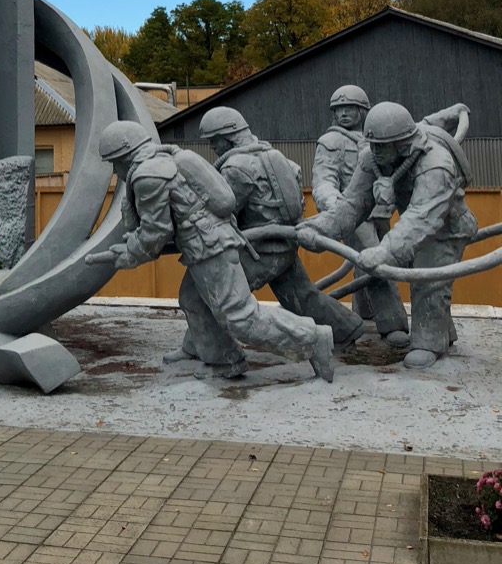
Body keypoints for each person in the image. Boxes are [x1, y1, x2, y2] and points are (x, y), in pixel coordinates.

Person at [91, 121, 335, 382]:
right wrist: (134, 241)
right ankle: (223, 360)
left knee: (240, 316)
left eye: (114, 162)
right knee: (193, 299)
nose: (115, 170)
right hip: (210, 242)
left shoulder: (148, 175)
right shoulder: (167, 158)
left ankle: (313, 339)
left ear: (125, 155)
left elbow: (156, 231)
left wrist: (130, 254)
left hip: (209, 248)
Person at [298, 101, 477, 369]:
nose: (375, 151)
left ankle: (429, 342)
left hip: (446, 227)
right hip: (414, 224)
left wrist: (384, 252)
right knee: (423, 269)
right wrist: (320, 228)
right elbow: (352, 205)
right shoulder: (372, 158)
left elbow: (421, 218)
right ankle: (443, 332)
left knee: (428, 275)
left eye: (381, 146)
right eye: (373, 145)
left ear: (402, 144)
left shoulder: (436, 164)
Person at [198, 107, 363, 349]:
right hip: (284, 244)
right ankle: (346, 330)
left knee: (212, 293)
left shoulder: (236, 168)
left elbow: (224, 212)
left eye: (214, 141)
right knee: (301, 296)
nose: (213, 147)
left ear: (228, 136)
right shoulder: (275, 155)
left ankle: (212, 352)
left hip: (259, 251)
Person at [312, 85, 409, 347]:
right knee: (377, 263)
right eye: (338, 109)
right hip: (354, 215)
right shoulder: (331, 142)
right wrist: (335, 207)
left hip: (381, 212)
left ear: (363, 111)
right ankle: (392, 324)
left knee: (366, 261)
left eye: (349, 108)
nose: (343, 113)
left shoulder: (377, 138)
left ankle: (364, 311)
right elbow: (323, 180)